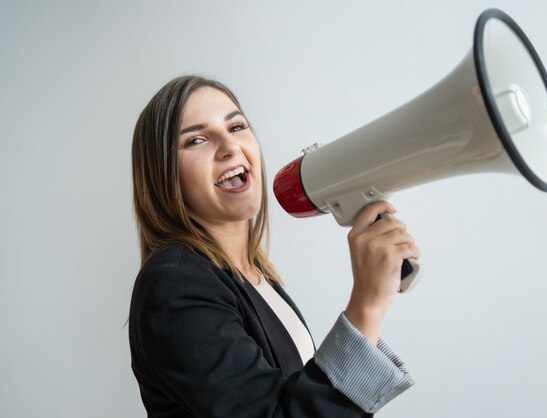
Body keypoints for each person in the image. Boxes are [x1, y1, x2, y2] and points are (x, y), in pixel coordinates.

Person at [128, 75, 420, 417]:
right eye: (196, 140)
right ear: (164, 174)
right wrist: (367, 306)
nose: (229, 147)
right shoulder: (174, 284)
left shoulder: (253, 277)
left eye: (236, 126)